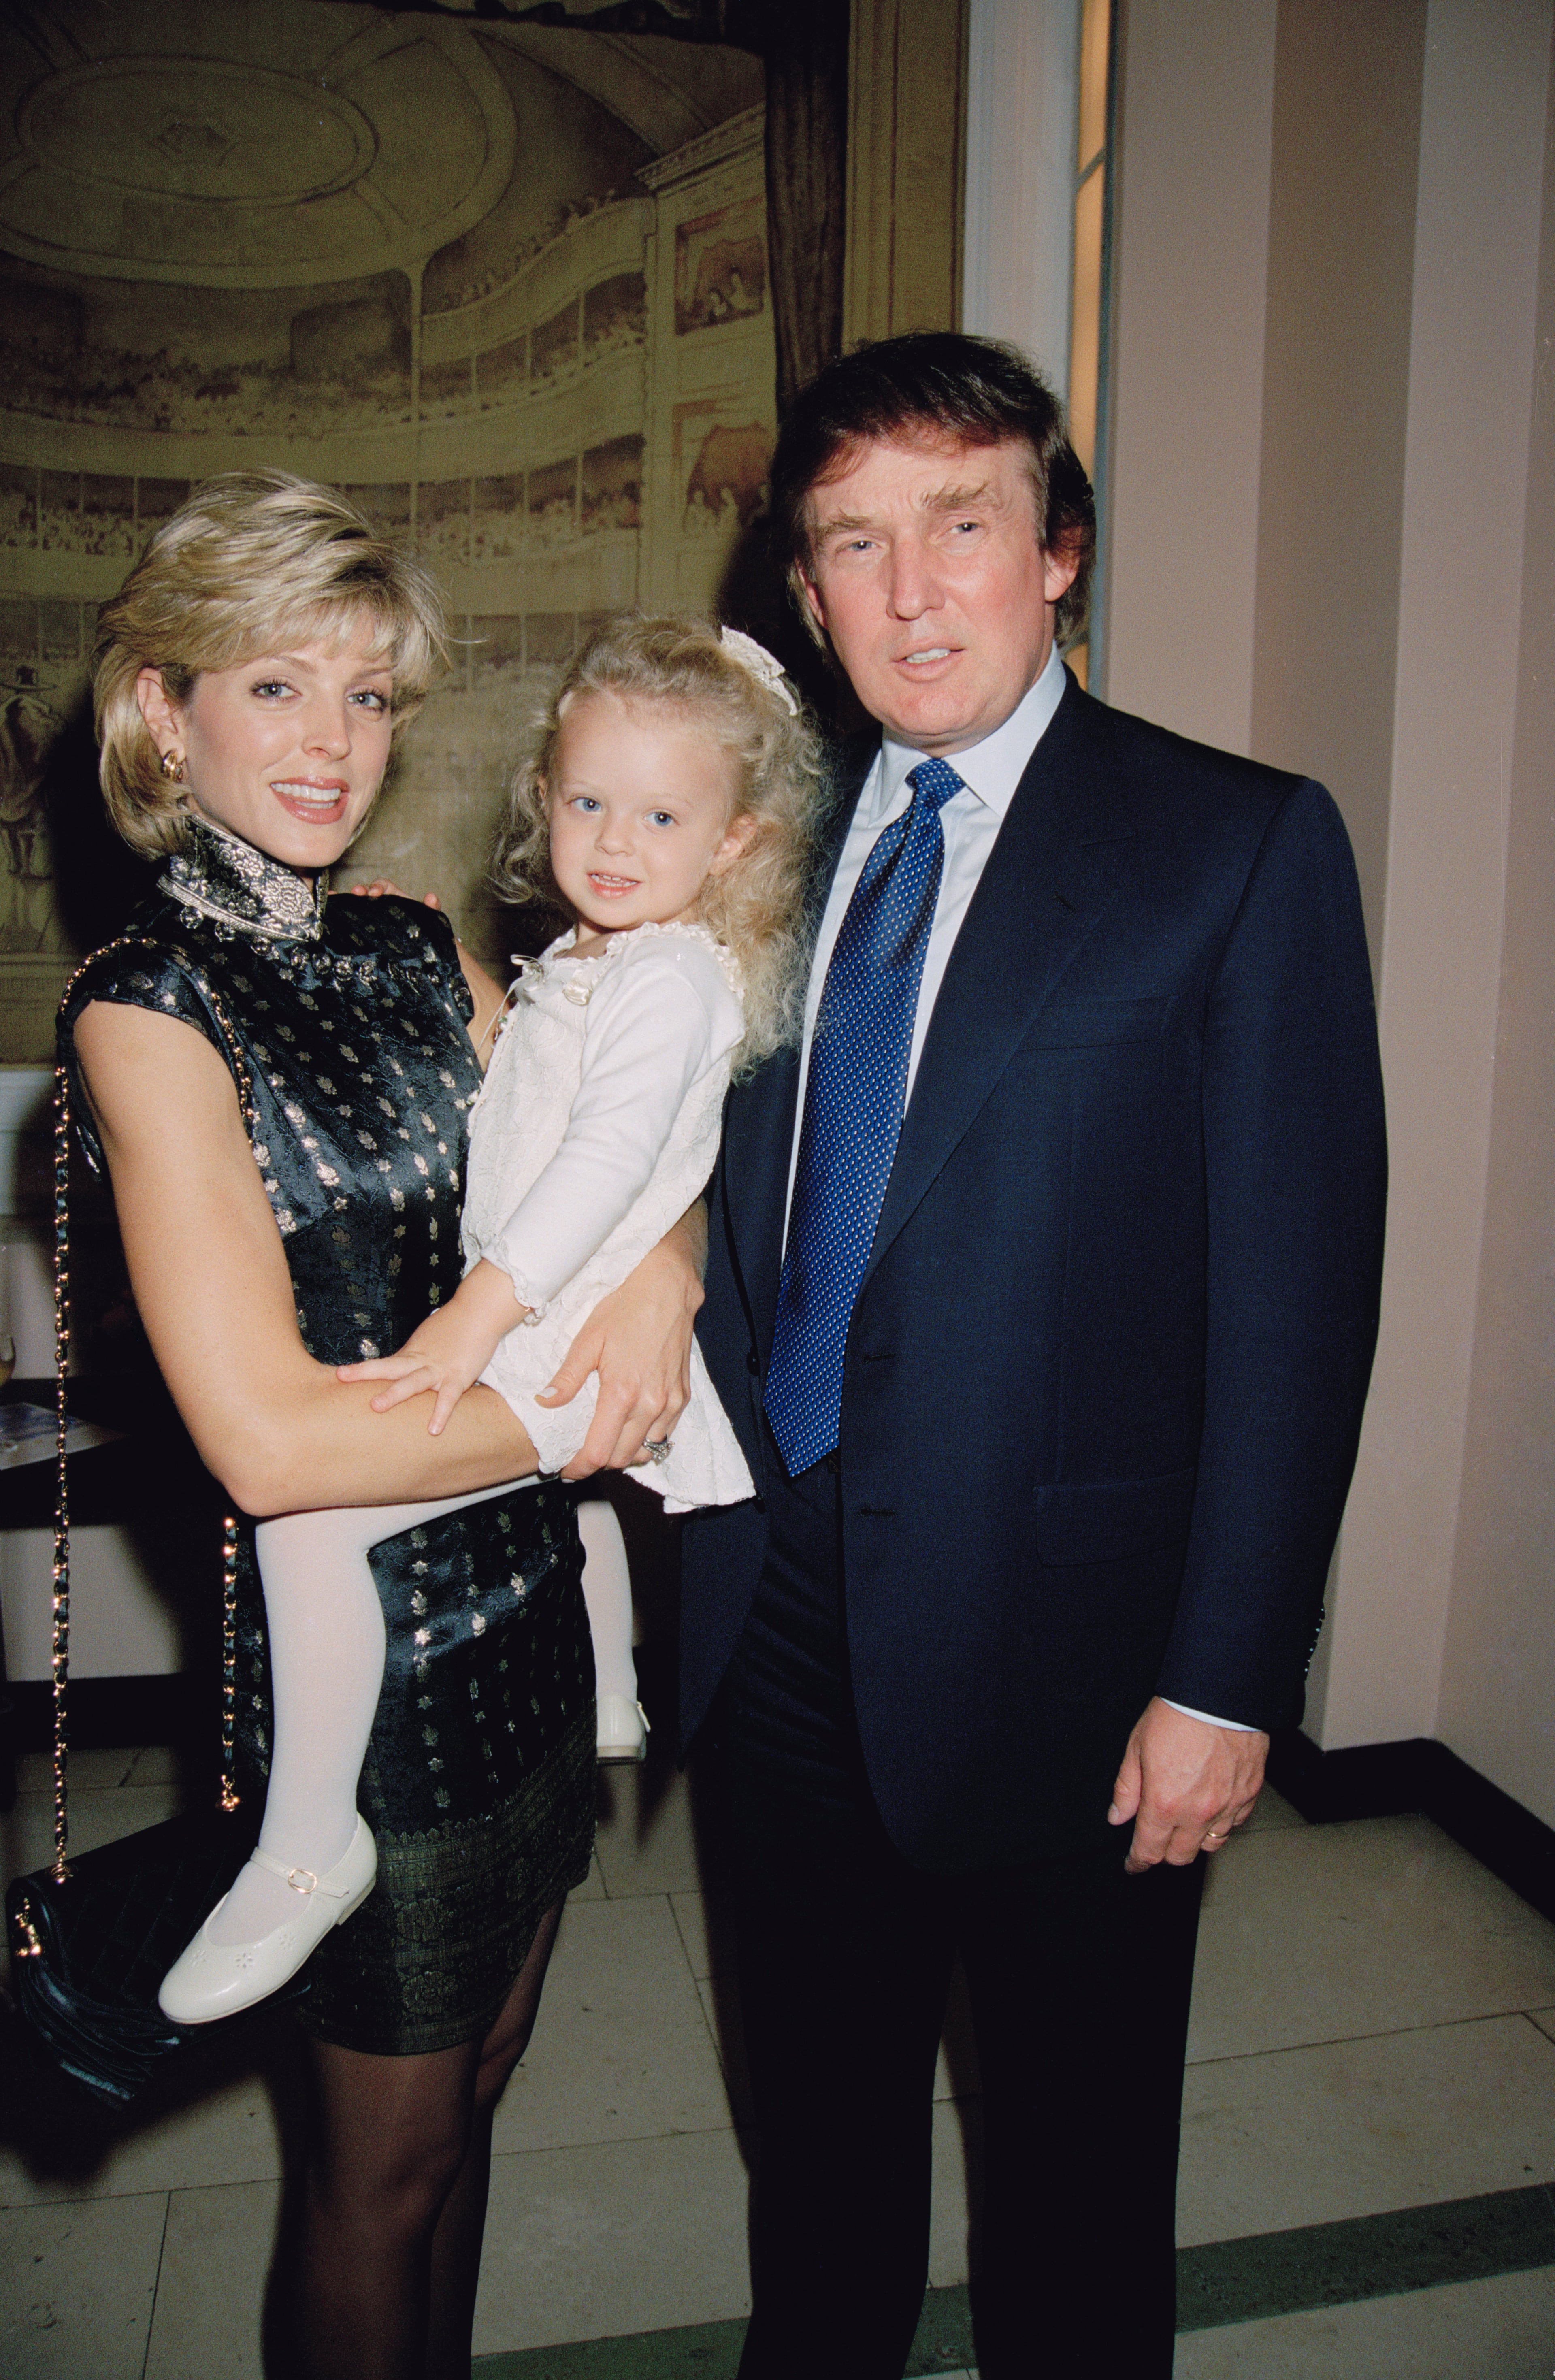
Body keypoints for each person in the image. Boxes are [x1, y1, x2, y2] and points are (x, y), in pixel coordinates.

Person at [678, 333, 1388, 2378]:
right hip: (775, 1622)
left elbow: (1296, 1303)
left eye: (963, 526)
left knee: (1075, 2216)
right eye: (856, 544)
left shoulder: (1232, 847)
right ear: (802, 594)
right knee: (812, 2187)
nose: (913, 593)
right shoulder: (749, 854)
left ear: (1057, 551)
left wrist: (1227, 1677)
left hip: (1080, 1660)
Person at [62, 473, 704, 2380]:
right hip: (370, 1682)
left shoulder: (419, 947)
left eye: (368, 695)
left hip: (531, 1627)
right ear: (165, 711)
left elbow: (623, 1127)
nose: (335, 743)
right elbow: (270, 1448)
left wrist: (660, 1270)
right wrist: (578, 1422)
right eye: (280, 689)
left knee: (481, 2090)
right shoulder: (148, 1007)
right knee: (379, 2173)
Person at [158, 614, 824, 2022]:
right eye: (588, 802)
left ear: (736, 846)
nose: (615, 839)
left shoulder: (665, 976)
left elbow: (607, 1159)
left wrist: (479, 1314)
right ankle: (611, 1699)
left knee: (318, 1523)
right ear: (543, 799)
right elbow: (527, 1100)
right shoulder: (594, 960)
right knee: (576, 1506)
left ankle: (307, 1846)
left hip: (551, 1328)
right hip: (559, 1320)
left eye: (660, 814)